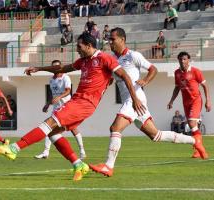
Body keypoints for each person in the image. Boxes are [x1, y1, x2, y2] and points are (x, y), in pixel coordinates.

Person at [0, 32, 145, 181]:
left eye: (79, 46)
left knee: (49, 123)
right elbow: (61, 68)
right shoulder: (83, 61)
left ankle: (14, 149)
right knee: (53, 133)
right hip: (77, 101)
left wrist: (135, 98)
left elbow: (125, 77)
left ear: (89, 45)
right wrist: (39, 68)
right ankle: (78, 164)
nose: (77, 50)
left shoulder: (104, 58)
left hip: (85, 103)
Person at [89, 27, 208, 177]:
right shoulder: (113, 59)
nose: (110, 42)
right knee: (156, 135)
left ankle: (108, 166)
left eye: (113, 39)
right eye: (109, 39)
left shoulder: (133, 55)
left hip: (135, 99)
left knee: (115, 128)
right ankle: (194, 141)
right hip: (131, 100)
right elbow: (113, 78)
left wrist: (145, 80)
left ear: (122, 40)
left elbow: (153, 69)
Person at [35, 60, 86, 160]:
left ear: (60, 67)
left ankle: (82, 150)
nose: (55, 68)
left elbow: (68, 91)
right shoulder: (51, 80)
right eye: (53, 67)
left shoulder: (65, 77)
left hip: (66, 106)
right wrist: (48, 104)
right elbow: (53, 94)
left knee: (73, 128)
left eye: (57, 66)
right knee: (49, 127)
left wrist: (59, 97)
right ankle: (45, 152)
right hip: (56, 107)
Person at [167, 51, 211, 158]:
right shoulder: (177, 72)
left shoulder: (195, 71)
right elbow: (177, 88)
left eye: (185, 59)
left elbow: (205, 86)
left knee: (191, 123)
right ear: (178, 60)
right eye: (181, 59)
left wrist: (207, 100)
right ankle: (197, 150)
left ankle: (202, 150)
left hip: (196, 101)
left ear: (188, 60)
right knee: (193, 127)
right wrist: (171, 101)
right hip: (185, 103)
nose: (182, 61)